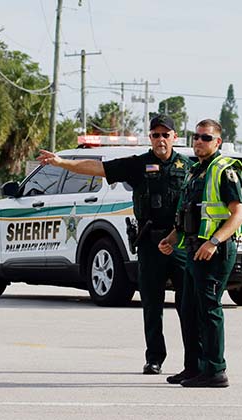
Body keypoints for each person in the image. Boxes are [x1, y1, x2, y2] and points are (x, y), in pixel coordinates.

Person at [37, 115, 193, 376]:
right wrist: (62, 162)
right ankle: (154, 357)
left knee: (187, 305)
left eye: (165, 135)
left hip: (179, 243)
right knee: (152, 305)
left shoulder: (188, 167)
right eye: (155, 135)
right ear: (150, 138)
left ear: (175, 137)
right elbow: (98, 168)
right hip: (150, 242)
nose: (161, 140)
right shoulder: (139, 164)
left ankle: (193, 361)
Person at [158, 119, 242, 388]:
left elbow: (237, 214)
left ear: (217, 142)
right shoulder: (195, 171)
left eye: (206, 138)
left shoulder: (224, 169)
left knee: (209, 309)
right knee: (189, 309)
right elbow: (189, 214)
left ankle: (216, 370)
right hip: (194, 248)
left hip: (214, 252)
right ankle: (194, 367)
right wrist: (172, 239)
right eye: (195, 137)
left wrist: (214, 242)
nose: (199, 141)